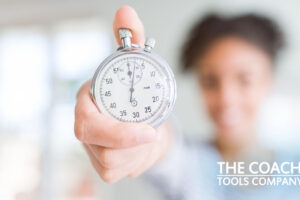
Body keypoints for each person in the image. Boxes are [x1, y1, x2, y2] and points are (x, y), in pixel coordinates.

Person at [74, 6, 299, 200]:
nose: (226, 98)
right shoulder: (189, 165)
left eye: (245, 80)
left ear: (269, 82)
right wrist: (146, 139)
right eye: (210, 81)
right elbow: (165, 149)